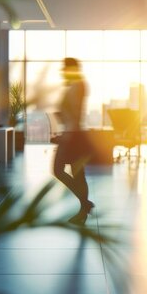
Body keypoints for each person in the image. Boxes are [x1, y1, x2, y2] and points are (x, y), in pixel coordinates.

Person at [53, 57, 94, 224]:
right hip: (72, 133)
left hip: (73, 135)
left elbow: (76, 114)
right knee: (78, 175)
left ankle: (84, 205)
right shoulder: (75, 85)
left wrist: (66, 136)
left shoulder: (78, 86)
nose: (62, 71)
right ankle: (84, 208)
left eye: (65, 68)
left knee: (59, 170)